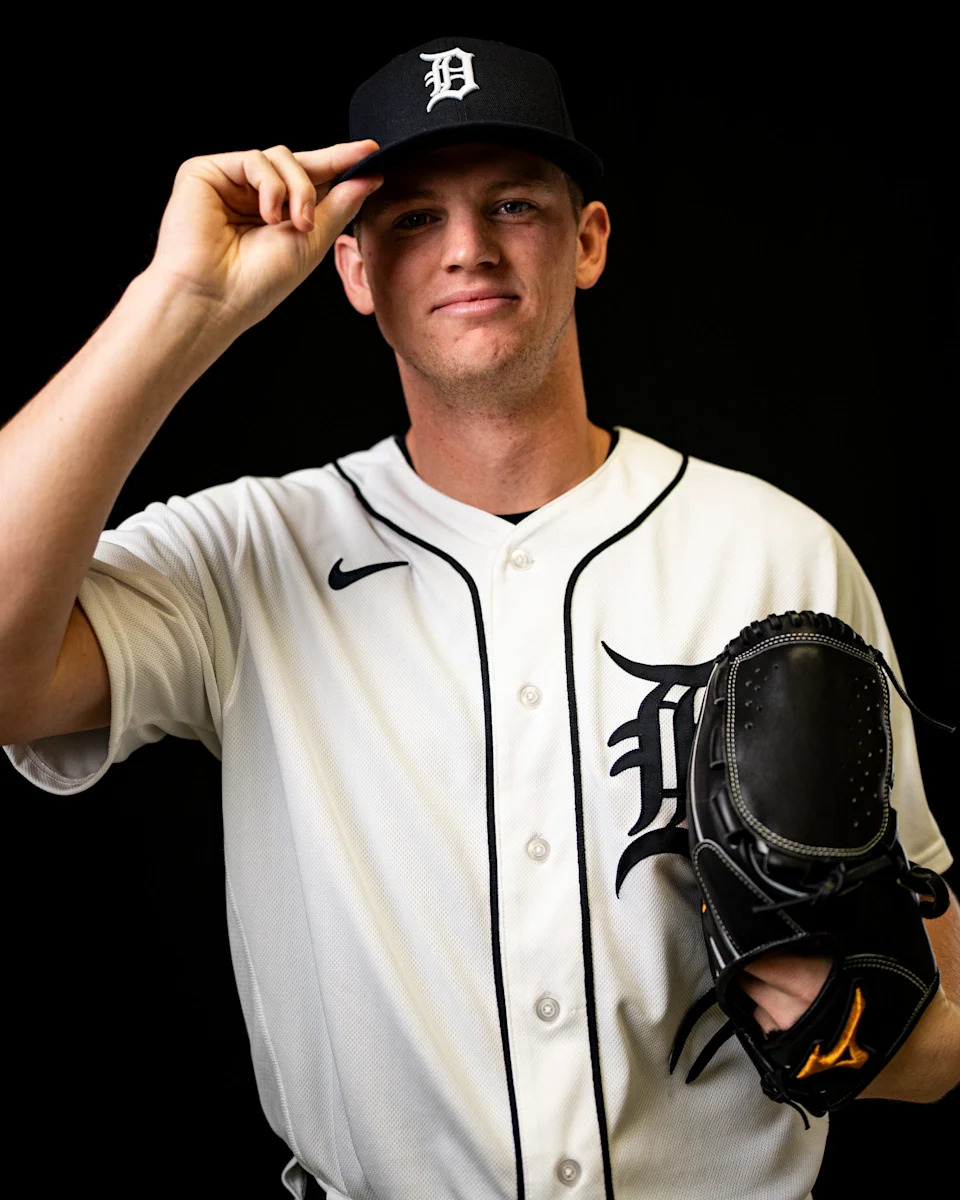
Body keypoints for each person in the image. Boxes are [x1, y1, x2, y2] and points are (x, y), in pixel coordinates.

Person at [0, 35, 956, 1200]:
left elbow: (941, 1027)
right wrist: (178, 303)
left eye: (513, 202)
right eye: (411, 218)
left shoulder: (776, 553)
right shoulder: (247, 555)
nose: (467, 248)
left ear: (588, 241)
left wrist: (863, 1026)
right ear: (349, 270)